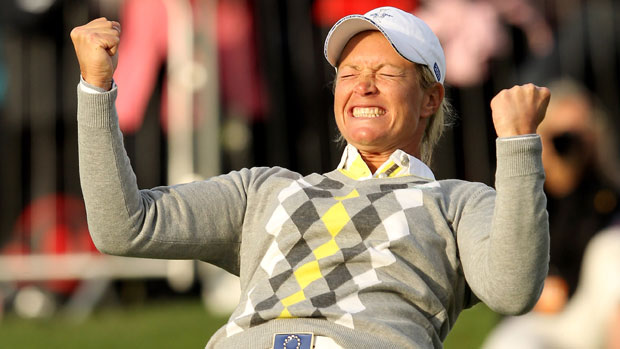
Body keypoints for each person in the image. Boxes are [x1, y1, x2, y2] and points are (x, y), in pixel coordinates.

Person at [70, 6, 550, 348]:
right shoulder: (266, 190)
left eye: (386, 72)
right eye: (348, 73)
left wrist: (518, 146)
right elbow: (124, 227)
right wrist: (95, 88)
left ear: (430, 98)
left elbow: (512, 288)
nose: (363, 84)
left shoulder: (456, 202)